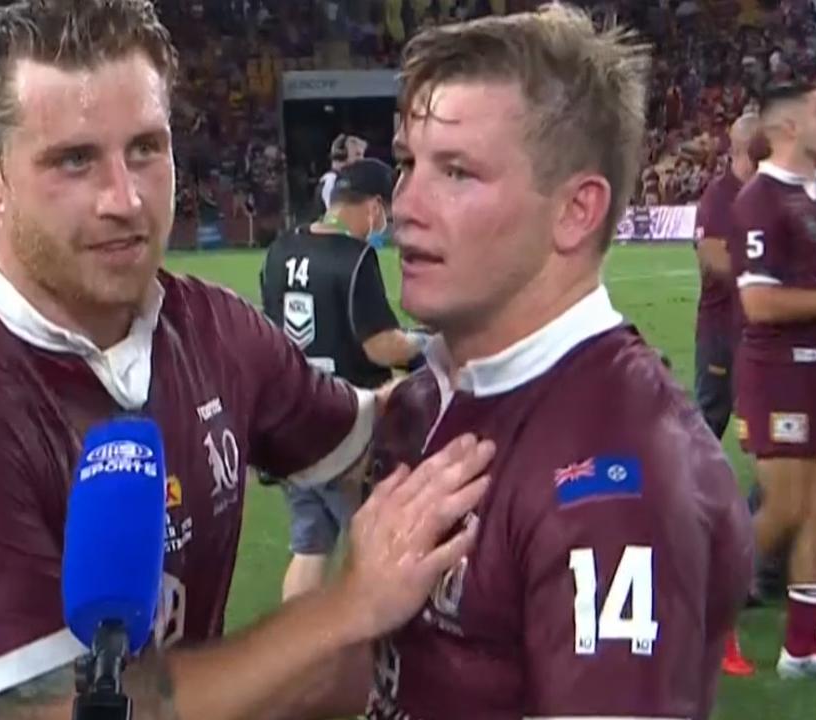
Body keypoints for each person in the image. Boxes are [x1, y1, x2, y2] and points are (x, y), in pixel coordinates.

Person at [0, 2, 494, 719]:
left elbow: (371, 438)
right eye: (74, 160)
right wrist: (347, 610)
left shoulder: (213, 328)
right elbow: (72, 711)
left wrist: (528, 382)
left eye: (146, 148)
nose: (125, 198)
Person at [278, 5, 753, 718]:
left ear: (576, 211)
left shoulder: (623, 477)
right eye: (409, 163)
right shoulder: (423, 399)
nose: (406, 204)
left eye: (458, 172)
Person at [259, 158, 428, 602]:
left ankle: (296, 648)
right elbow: (381, 346)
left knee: (309, 546)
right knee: (370, 540)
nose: (384, 224)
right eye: (385, 213)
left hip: (294, 423)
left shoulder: (281, 250)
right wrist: (428, 348)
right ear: (373, 205)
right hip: (349, 426)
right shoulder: (355, 258)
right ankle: (362, 647)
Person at [730, 80, 816, 680]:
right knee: (786, 506)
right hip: (780, 374)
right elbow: (760, 305)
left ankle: (802, 643)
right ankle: (705, 610)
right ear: (789, 127)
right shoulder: (759, 201)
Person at [692, 113, 762, 677]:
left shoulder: (765, 193)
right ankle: (695, 537)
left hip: (760, 338)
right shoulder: (723, 194)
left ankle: (755, 562)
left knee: (772, 446)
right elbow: (712, 260)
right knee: (701, 438)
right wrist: (764, 269)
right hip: (722, 334)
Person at [317, 134, 367, 212]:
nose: (362, 159)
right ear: (341, 155)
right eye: (357, 154)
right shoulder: (331, 180)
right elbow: (332, 216)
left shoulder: (349, 180)